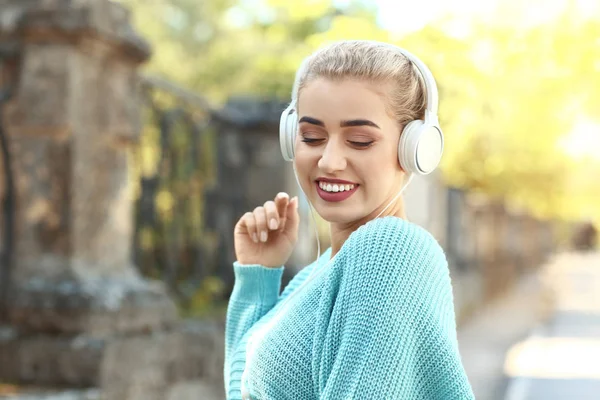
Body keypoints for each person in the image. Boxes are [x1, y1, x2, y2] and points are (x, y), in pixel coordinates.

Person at [224, 40, 475, 399]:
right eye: (311, 137)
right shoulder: (321, 271)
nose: (328, 161)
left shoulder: (390, 252)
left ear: (414, 149)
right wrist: (258, 276)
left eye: (359, 140)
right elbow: (244, 390)